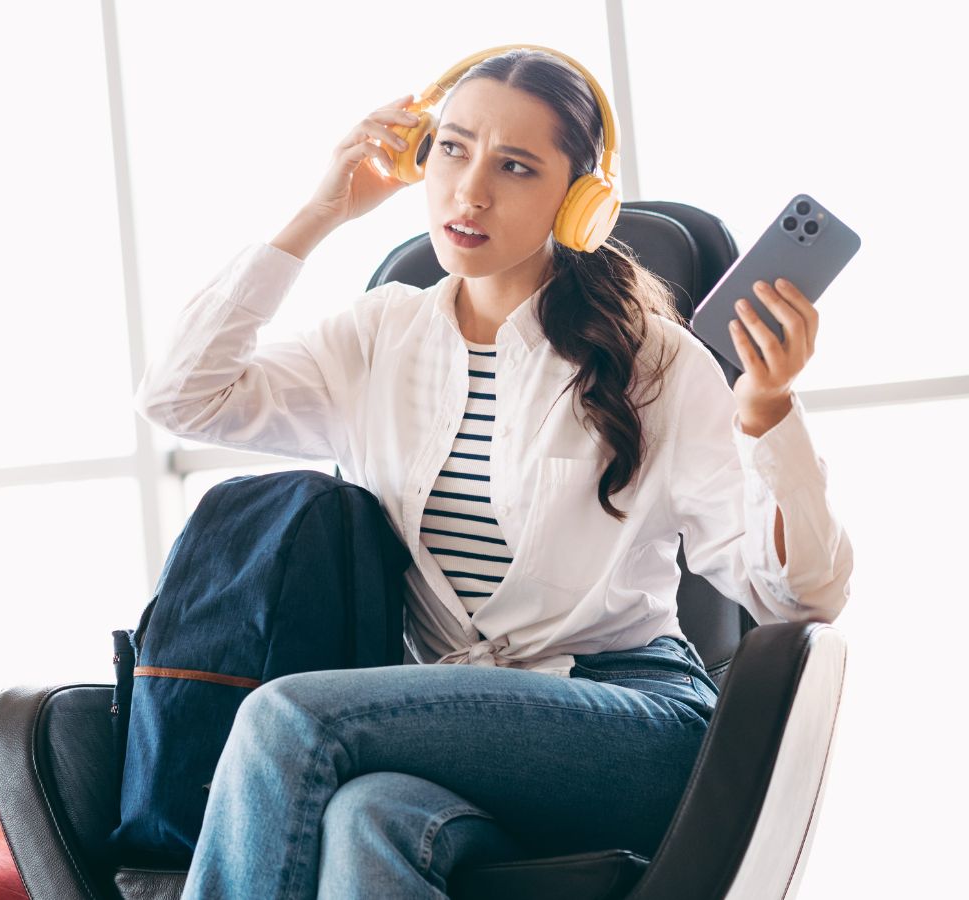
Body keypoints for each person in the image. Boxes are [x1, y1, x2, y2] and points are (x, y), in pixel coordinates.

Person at [132, 47, 854, 899]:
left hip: (628, 722)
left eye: (515, 167)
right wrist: (318, 213)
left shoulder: (655, 364)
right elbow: (181, 396)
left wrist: (766, 409)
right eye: (451, 149)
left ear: (580, 203)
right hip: (444, 727)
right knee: (365, 820)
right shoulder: (378, 336)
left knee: (288, 718)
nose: (470, 191)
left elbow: (801, 597)